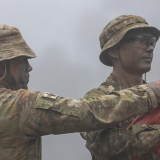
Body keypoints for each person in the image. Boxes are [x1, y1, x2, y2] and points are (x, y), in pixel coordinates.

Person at [0, 24, 159, 160]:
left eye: (152, 42)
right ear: (2, 66)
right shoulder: (17, 106)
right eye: (22, 61)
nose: (29, 67)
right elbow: (85, 113)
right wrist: (151, 92)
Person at [80, 15, 160, 160]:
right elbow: (104, 147)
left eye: (151, 42)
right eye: (140, 40)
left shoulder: (158, 95)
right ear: (113, 51)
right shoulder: (97, 99)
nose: (149, 47)